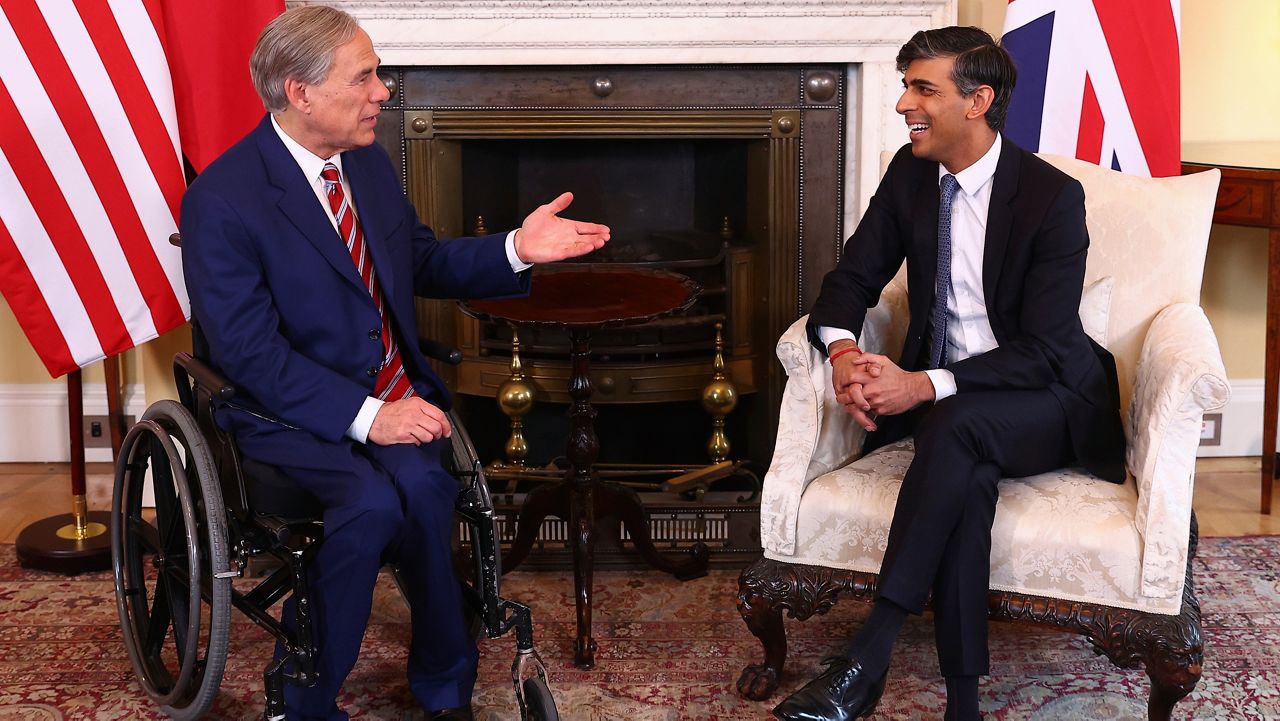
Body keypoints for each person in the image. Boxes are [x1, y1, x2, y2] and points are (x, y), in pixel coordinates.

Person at [179, 7, 610, 720]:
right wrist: (370, 417)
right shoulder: (221, 200)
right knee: (372, 500)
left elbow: (422, 260)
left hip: (388, 392)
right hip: (286, 412)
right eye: (366, 76)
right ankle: (307, 691)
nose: (384, 90)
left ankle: (446, 684)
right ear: (301, 92)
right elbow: (249, 352)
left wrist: (516, 249)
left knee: (428, 489)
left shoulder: (367, 165)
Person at [771, 26, 1125, 721]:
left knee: (957, 424)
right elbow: (849, 280)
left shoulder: (1053, 198)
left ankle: (868, 654)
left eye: (922, 87)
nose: (905, 102)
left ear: (977, 100)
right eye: (905, 85)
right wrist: (844, 355)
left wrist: (922, 384)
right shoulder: (910, 175)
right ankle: (963, 705)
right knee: (966, 469)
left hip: (1047, 397)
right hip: (958, 414)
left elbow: (1049, 348)